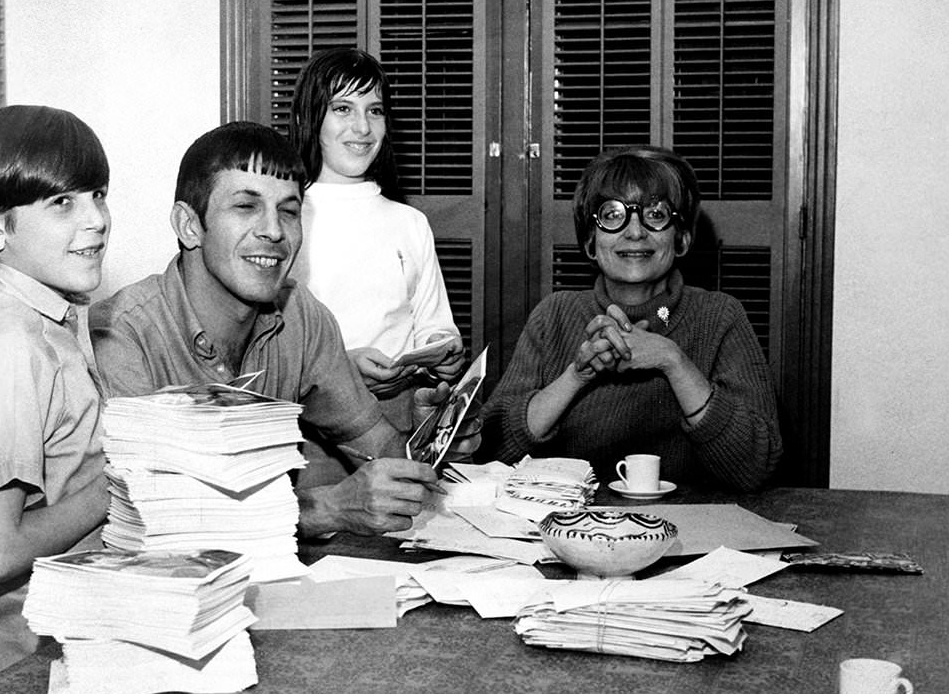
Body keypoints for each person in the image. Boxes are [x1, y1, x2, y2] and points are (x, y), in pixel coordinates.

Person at [90, 121, 459, 536]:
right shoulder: (123, 333)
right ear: (188, 225)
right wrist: (325, 509)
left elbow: (379, 448)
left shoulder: (301, 314)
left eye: (288, 210)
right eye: (246, 206)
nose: (273, 230)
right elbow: (146, 511)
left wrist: (436, 435)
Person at [480, 145, 781, 491]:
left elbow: (756, 468)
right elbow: (489, 457)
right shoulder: (555, 314)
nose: (635, 232)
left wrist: (674, 361)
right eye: (612, 215)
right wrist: (577, 376)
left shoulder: (720, 315)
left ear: (681, 237)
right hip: (570, 529)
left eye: (656, 214)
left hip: (691, 533)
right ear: (590, 240)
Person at [0, 105, 111, 686]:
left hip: (79, 628)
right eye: (62, 203)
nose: (96, 220)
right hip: (30, 666)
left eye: (97, 195)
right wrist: (124, 482)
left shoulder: (42, 318)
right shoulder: (10, 348)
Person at [289, 48, 464, 414]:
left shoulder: (410, 222)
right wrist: (341, 367)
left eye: (374, 110)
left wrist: (442, 349)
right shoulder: (286, 219)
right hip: (313, 418)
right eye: (343, 109)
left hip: (403, 413)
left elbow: (434, 323)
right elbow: (271, 348)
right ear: (311, 118)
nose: (363, 127)